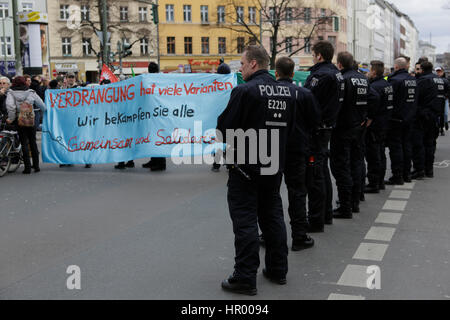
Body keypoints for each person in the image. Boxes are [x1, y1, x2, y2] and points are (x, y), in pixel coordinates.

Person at [217, 45, 296, 295]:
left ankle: (245, 276)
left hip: (246, 167)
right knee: (272, 218)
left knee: (245, 221)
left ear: (253, 64)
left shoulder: (244, 90)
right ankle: (277, 269)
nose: (240, 68)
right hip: (274, 165)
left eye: (242, 64)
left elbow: (225, 127)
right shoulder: (288, 92)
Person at [275, 56, 320, 250]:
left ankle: (269, 234)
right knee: (297, 193)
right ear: (293, 73)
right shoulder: (304, 94)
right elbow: (315, 121)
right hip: (297, 149)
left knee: (270, 194)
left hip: (272, 149)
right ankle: (299, 236)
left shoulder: (268, 93)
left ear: (276, 73)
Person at [304, 40, 345, 229]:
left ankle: (316, 218)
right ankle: (325, 213)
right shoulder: (336, 74)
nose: (313, 57)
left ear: (319, 55)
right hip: (328, 127)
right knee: (322, 172)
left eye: (313, 54)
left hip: (316, 129)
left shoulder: (320, 76)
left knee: (315, 176)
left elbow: (308, 102)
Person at [331, 52, 376, 219]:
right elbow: (375, 97)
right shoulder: (363, 78)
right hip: (359, 127)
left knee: (341, 167)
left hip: (343, 128)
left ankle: (345, 206)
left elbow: (336, 104)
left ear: (340, 64)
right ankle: (355, 201)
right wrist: (368, 116)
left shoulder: (342, 79)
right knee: (356, 164)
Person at [411, 61, 447, 179]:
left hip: (423, 116)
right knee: (430, 144)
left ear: (421, 69)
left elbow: (417, 98)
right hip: (435, 116)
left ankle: (419, 170)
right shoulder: (439, 80)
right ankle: (429, 170)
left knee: (419, 144)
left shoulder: (423, 80)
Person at [385, 57, 418, 185]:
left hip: (396, 118)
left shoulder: (394, 80)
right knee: (407, 145)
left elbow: (390, 99)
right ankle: (407, 174)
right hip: (410, 118)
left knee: (396, 148)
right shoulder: (413, 80)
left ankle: (397, 175)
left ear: (397, 67)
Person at [5, 76, 46, 174]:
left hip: (19, 120)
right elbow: (42, 106)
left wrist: (11, 119)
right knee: (33, 142)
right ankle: (36, 166)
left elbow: (10, 107)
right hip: (30, 118)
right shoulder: (31, 92)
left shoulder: (11, 93)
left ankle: (27, 168)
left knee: (24, 143)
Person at [364, 60, 394, 193]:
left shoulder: (375, 86)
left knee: (373, 155)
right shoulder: (387, 84)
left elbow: (373, 104)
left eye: (370, 70)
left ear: (374, 72)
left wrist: (369, 118)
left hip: (375, 125)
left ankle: (373, 182)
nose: (369, 72)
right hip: (385, 123)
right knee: (381, 153)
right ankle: (380, 181)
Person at [60, 73, 92, 168]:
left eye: (72, 77)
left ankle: (87, 160)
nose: (70, 79)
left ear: (75, 78)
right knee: (68, 139)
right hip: (68, 118)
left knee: (82, 139)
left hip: (79, 117)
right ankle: (68, 160)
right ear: (66, 78)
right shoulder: (62, 89)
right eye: (69, 77)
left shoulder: (79, 88)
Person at [142, 62, 166, 171]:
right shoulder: (150, 79)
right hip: (153, 113)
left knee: (159, 138)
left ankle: (160, 163)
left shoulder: (158, 79)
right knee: (153, 137)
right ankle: (154, 159)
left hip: (159, 113)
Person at [211, 62, 231, 172]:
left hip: (217, 117)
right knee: (229, 139)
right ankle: (229, 162)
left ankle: (216, 163)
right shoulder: (231, 83)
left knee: (218, 140)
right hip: (228, 117)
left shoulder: (214, 84)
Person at [435, 67, 450, 134]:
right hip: (436, 99)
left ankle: (445, 123)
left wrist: (446, 96)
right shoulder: (434, 80)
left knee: (445, 113)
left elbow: (449, 89)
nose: (438, 73)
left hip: (444, 99)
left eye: (440, 71)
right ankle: (440, 127)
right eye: (437, 71)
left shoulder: (446, 80)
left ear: (443, 72)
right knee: (438, 114)